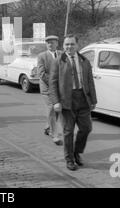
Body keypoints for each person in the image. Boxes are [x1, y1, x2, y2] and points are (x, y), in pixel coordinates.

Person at [50, 34, 97, 171]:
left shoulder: (84, 61)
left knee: (86, 128)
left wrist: (93, 100)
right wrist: (55, 102)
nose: (69, 47)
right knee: (68, 132)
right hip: (66, 102)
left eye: (72, 44)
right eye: (66, 44)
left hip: (83, 99)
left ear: (77, 46)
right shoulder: (58, 61)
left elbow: (90, 82)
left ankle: (76, 152)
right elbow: (52, 83)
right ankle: (69, 159)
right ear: (63, 46)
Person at [37, 35, 63, 145]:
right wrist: (53, 83)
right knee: (52, 107)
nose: (50, 44)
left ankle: (48, 126)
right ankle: (54, 133)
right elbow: (41, 73)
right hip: (47, 88)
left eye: (52, 42)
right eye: (48, 43)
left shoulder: (62, 54)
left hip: (59, 88)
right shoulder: (42, 56)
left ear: (57, 43)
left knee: (57, 108)